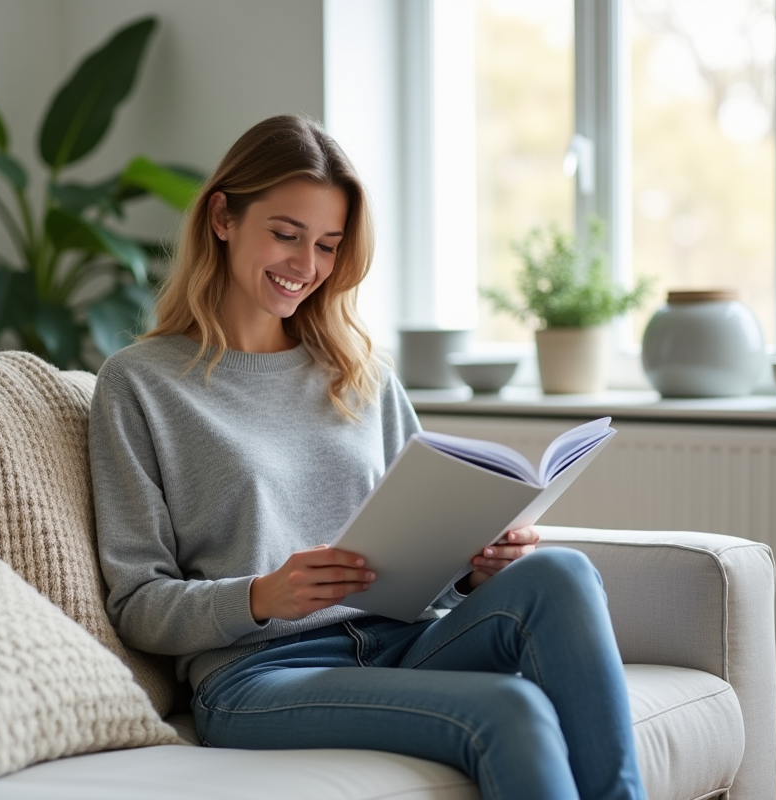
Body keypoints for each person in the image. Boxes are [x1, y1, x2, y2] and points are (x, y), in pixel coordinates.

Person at [89, 114, 646, 800]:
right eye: (286, 235)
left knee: (562, 571)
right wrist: (263, 596)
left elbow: (417, 570)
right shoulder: (139, 383)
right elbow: (138, 604)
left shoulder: (360, 372)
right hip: (258, 677)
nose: (306, 266)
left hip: (398, 641)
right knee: (512, 706)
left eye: (327, 245)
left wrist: (474, 568)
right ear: (223, 217)